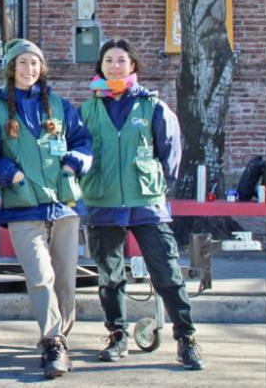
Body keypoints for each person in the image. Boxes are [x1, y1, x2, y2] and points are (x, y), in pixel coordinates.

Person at [80, 39, 204, 370]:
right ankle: (117, 335)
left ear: (132, 65)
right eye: (109, 60)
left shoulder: (151, 105)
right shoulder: (87, 109)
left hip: (146, 201)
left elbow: (171, 149)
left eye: (122, 60)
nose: (115, 66)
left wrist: (157, 181)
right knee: (110, 276)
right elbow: (77, 149)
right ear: (100, 66)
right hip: (102, 202)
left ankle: (186, 338)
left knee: (166, 271)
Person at [0, 38, 92, 379]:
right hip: (23, 208)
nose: (29, 69)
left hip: (64, 208)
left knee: (66, 281)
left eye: (35, 63)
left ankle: (59, 339)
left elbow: (83, 141)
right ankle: (53, 340)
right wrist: (6, 172)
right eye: (23, 63)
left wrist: (75, 161)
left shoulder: (59, 106)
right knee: (41, 277)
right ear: (11, 68)